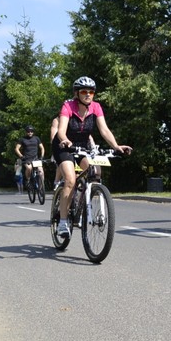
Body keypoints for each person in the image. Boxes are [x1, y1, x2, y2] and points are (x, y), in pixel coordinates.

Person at [53, 76, 132, 237]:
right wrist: (65, 140)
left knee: (95, 172)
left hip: (83, 146)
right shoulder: (68, 106)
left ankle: (81, 202)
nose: (88, 94)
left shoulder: (96, 107)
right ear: (77, 93)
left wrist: (116, 147)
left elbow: (104, 130)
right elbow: (61, 130)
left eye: (91, 92)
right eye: (84, 91)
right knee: (70, 179)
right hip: (64, 146)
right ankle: (62, 221)